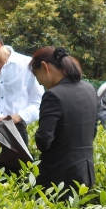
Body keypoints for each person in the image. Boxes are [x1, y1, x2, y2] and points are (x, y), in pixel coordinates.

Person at [30, 47, 97, 196]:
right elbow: (93, 132)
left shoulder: (53, 95)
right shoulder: (90, 89)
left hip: (57, 177)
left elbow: (44, 140)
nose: (39, 82)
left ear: (45, 67)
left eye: (36, 75)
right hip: (86, 173)